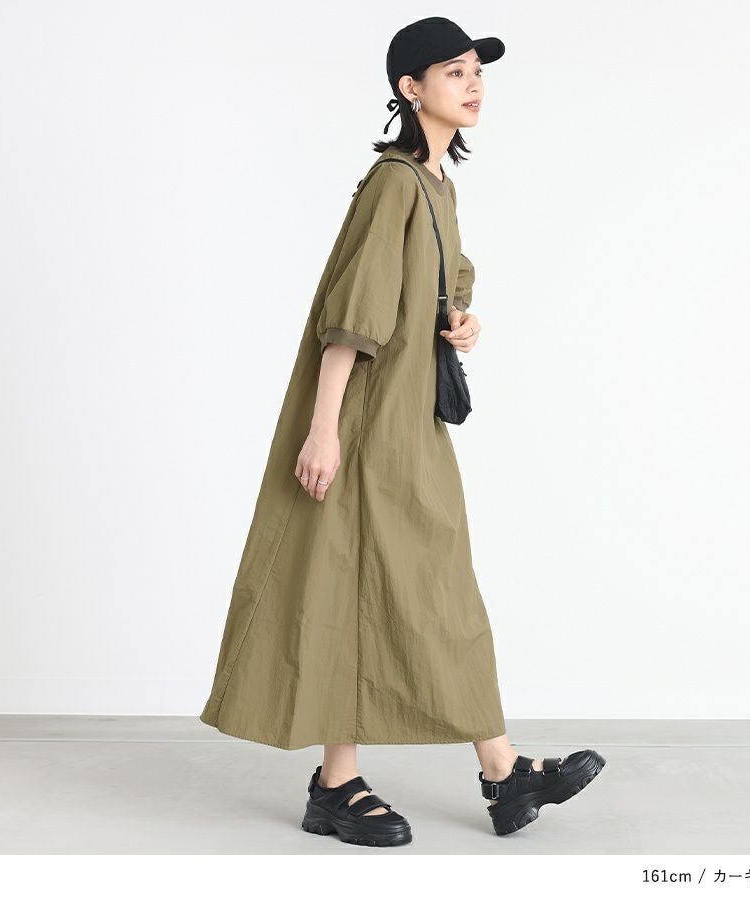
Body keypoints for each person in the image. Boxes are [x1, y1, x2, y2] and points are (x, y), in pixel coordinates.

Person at [199, 17, 605, 846]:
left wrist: (463, 323)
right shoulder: (393, 184)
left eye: (477, 70)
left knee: (421, 585)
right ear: (409, 89)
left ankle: (486, 773)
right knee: (354, 584)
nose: (473, 82)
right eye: (453, 71)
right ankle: (383, 780)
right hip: (365, 423)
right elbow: (351, 318)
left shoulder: (435, 186)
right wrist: (323, 430)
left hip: (409, 422)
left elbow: (436, 291)